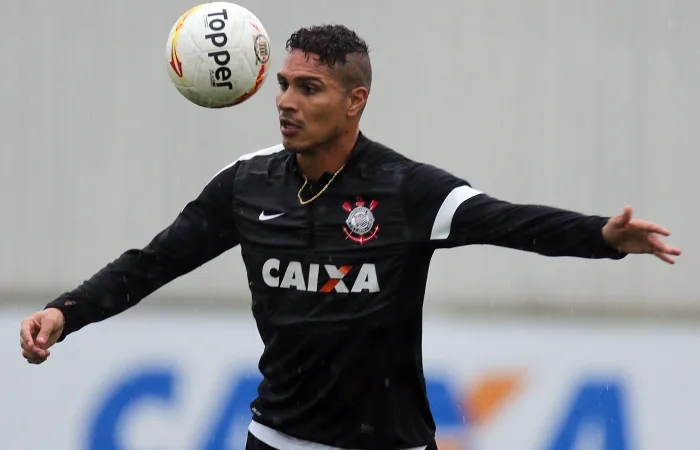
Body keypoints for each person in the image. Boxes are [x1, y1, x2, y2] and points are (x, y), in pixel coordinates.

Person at [19, 24, 680, 450]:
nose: (286, 101)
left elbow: (508, 220)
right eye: (283, 85)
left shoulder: (404, 190)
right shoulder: (246, 186)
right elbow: (152, 263)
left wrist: (601, 235)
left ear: (355, 100)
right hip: (277, 438)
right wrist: (65, 312)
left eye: (309, 88)